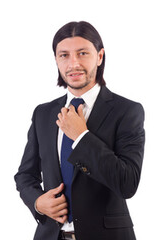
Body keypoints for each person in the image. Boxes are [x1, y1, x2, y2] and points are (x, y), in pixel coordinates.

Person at [14, 21, 143, 240]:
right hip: (51, 235)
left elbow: (127, 183)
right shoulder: (43, 113)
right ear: (56, 60)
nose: (73, 63)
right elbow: (25, 175)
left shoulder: (127, 111)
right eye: (64, 55)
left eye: (82, 53)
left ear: (100, 56)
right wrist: (37, 202)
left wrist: (81, 137)